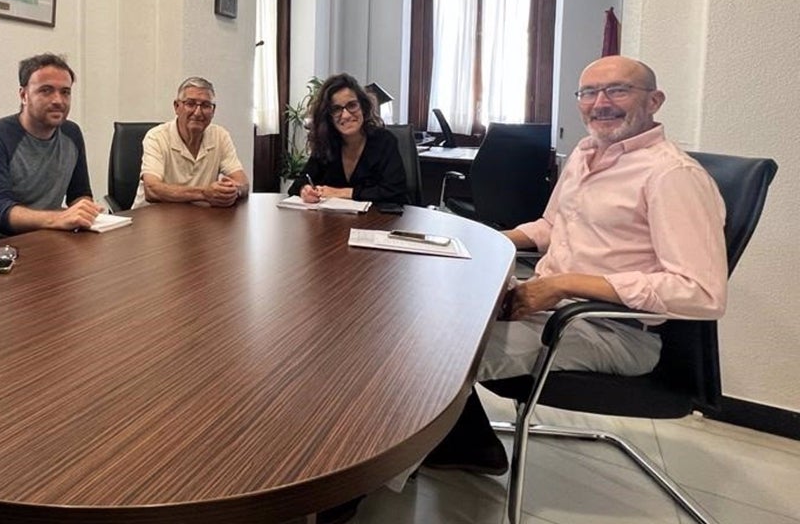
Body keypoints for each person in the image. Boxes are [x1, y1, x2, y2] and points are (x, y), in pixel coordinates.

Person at [423, 55, 727, 475]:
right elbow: (552, 225)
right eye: (589, 92)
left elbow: (701, 293)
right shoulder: (586, 153)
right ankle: (467, 444)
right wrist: (482, 240)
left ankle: (355, 485)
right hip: (552, 310)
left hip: (615, 331)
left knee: (431, 356)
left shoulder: (672, 176)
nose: (600, 102)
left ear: (654, 100)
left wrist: (563, 285)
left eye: (617, 90)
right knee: (419, 322)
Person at [0, 53, 103, 243]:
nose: (58, 100)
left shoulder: (72, 133)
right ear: (23, 95)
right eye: (46, 90)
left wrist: (85, 210)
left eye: (65, 92)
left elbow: (79, 193)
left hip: (43, 238)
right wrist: (59, 218)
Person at [287, 72, 407, 205]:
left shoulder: (385, 141)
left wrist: (340, 193)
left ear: (363, 107)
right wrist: (305, 190)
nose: (345, 115)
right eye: (336, 109)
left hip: (377, 222)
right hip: (334, 222)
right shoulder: (326, 143)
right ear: (329, 116)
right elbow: (298, 184)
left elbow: (396, 193)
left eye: (352, 105)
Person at [135, 76, 249, 207]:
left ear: (213, 111)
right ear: (177, 107)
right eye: (190, 104)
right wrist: (204, 193)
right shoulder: (156, 137)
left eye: (206, 105)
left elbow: (242, 181)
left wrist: (233, 191)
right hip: (150, 219)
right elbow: (152, 190)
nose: (198, 112)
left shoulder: (220, 136)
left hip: (196, 219)